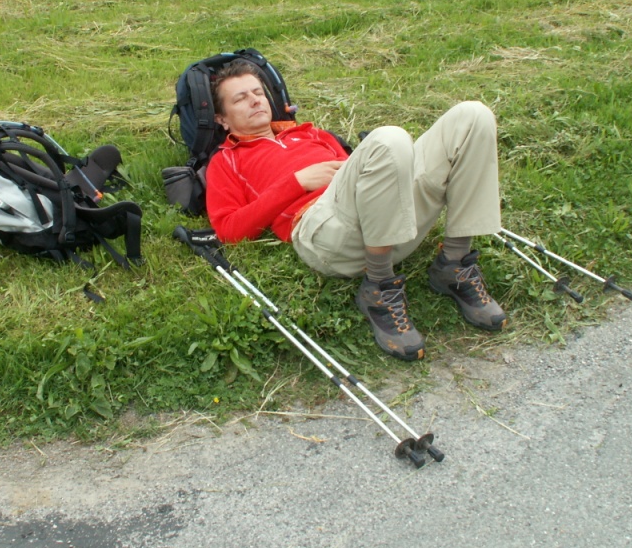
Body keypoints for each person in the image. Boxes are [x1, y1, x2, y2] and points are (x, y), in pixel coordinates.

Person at [204, 58, 509, 362]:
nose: (255, 100)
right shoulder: (226, 161)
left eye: (258, 92)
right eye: (240, 99)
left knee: (473, 115)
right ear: (222, 119)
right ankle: (378, 287)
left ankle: (454, 264)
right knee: (389, 138)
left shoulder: (314, 135)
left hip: (390, 219)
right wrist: (297, 182)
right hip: (328, 234)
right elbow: (228, 230)